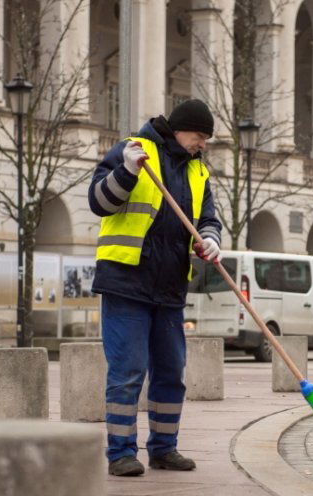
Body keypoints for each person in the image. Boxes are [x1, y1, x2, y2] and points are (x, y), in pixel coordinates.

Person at [88, 99, 223, 477]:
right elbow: (99, 202)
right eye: (200, 136)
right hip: (126, 282)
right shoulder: (132, 152)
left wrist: (210, 239)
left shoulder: (198, 172)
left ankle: (164, 448)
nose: (203, 144)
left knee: (170, 373)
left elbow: (208, 219)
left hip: (168, 290)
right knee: (128, 371)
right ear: (181, 130)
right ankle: (120, 453)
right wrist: (126, 173)